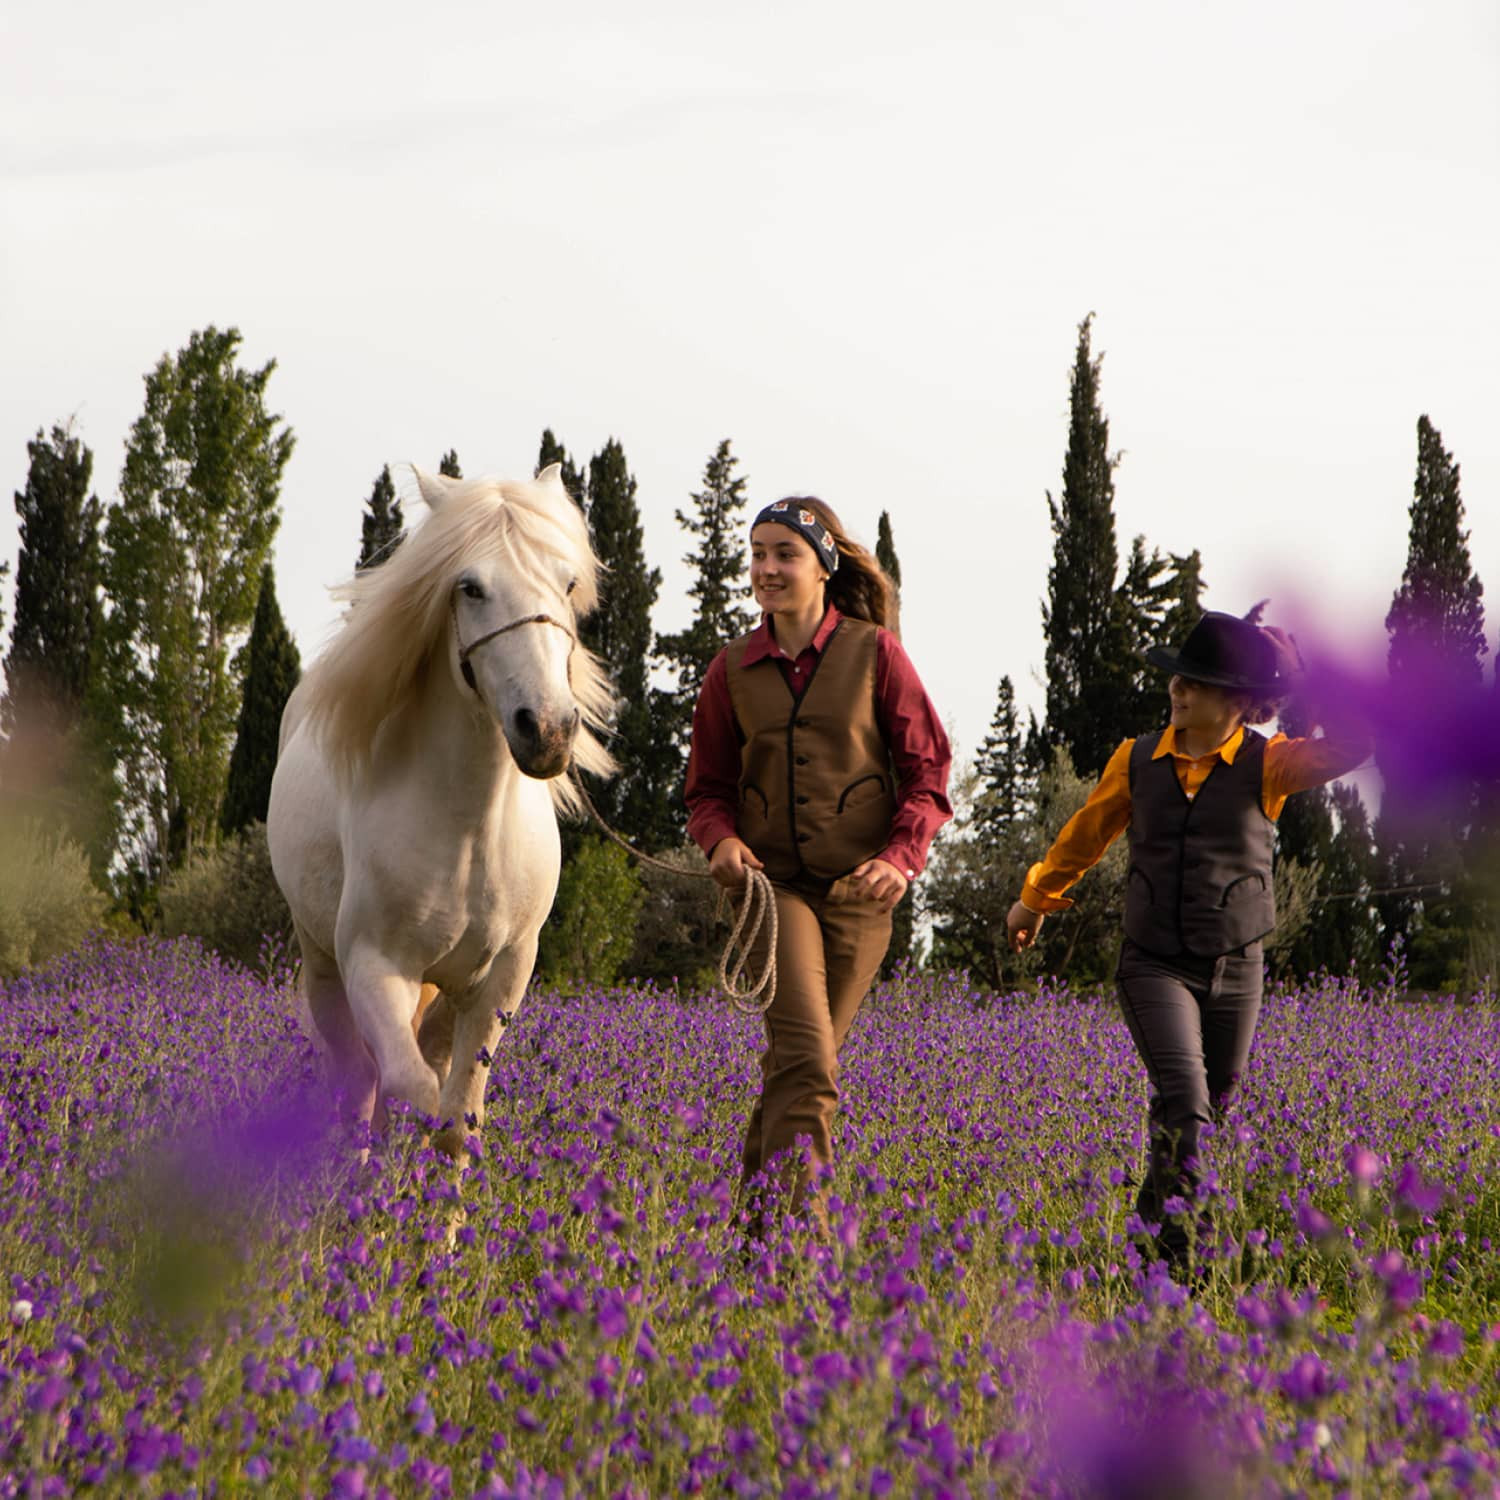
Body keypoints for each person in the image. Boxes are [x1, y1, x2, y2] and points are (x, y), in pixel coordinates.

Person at [1006, 610, 1369, 1272]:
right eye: (1176, 680)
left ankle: (1146, 1255)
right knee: (1185, 1102)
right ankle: (1179, 1269)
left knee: (1201, 1120)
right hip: (1153, 963)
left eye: (1195, 684)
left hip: (1238, 968)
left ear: (1237, 701)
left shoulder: (1272, 764)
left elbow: (1354, 745)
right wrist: (1035, 900)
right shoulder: (1135, 759)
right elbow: (1085, 836)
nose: (1178, 691)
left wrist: (1306, 683)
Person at [685, 497, 952, 1237]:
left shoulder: (877, 654)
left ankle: (751, 1246)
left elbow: (928, 772)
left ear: (824, 565)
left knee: (798, 1070)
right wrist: (720, 843)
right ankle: (800, 1260)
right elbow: (706, 790)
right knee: (809, 1063)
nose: (767, 569)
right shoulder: (730, 670)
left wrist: (902, 859)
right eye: (758, 553)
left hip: (861, 899)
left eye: (785, 554)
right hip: (772, 894)